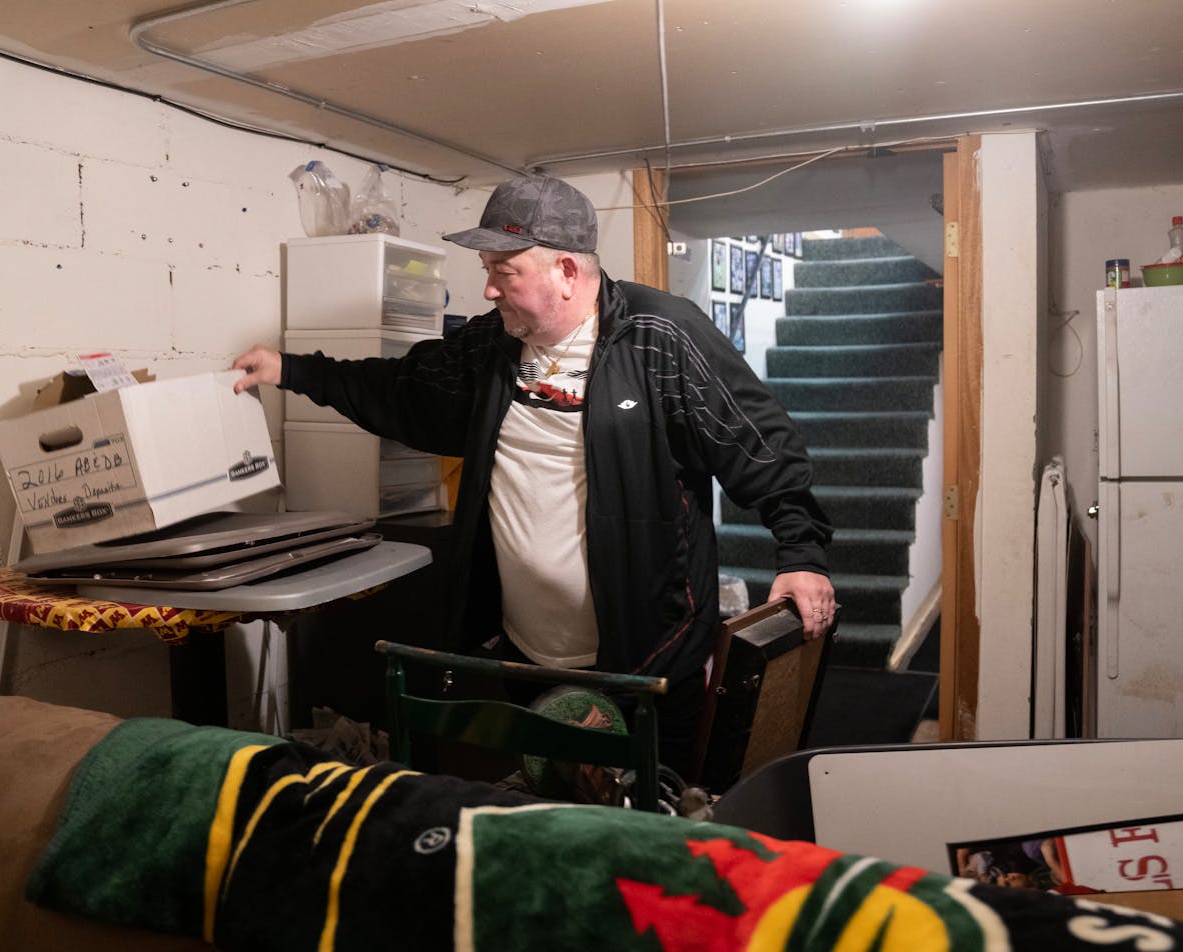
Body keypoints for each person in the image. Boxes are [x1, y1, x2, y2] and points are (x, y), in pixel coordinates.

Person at [232, 174, 835, 773]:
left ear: (566, 272)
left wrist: (801, 556)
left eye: (504, 270)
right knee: (555, 808)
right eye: (487, 269)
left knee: (649, 822)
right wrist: (292, 369)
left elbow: (762, 445)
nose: (489, 289)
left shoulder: (662, 337)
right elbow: (399, 390)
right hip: (526, 658)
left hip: (650, 658)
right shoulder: (490, 347)